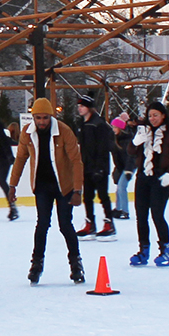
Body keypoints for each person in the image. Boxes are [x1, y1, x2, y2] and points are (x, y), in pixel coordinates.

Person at [12, 96, 85, 284]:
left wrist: (78, 190)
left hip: (64, 186)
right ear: (33, 117)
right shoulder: (27, 132)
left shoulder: (64, 131)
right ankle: (36, 265)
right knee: (42, 224)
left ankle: (76, 264)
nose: (42, 122)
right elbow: (20, 159)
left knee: (65, 224)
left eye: (45, 118)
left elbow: (76, 161)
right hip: (43, 186)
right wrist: (12, 185)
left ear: (51, 117)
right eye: (38, 118)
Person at [127, 101, 169, 266]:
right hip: (143, 178)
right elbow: (130, 152)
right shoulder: (144, 132)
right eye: (150, 116)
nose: (152, 118)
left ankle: (165, 250)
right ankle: (143, 250)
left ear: (163, 115)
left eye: (155, 115)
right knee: (141, 216)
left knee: (157, 214)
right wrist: (136, 142)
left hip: (160, 178)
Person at [72, 95, 115, 238]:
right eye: (79, 106)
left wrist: (100, 167)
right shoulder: (83, 125)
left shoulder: (99, 124)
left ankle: (109, 223)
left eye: (82, 106)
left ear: (89, 108)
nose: (79, 108)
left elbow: (103, 147)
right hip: (87, 166)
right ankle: (90, 223)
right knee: (88, 196)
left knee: (103, 196)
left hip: (99, 166)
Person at [110, 115, 135, 221]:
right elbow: (116, 157)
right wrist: (117, 170)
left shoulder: (128, 140)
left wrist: (128, 170)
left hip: (130, 166)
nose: (113, 129)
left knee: (121, 187)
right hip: (122, 166)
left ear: (120, 128)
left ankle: (125, 211)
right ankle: (118, 209)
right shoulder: (115, 140)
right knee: (119, 188)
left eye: (115, 127)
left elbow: (131, 157)